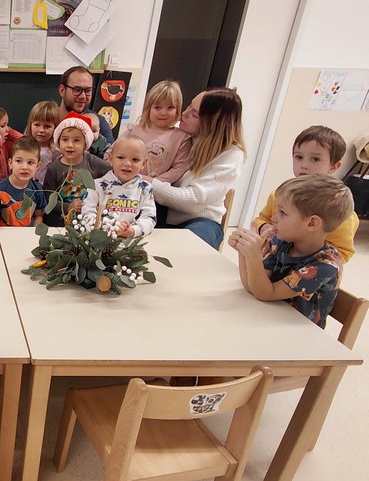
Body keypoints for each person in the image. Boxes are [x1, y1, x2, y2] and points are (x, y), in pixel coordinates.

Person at [229, 175, 354, 327]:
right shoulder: (282, 242)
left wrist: (253, 256)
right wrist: (244, 252)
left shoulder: (325, 267)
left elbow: (266, 293)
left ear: (312, 223)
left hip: (297, 335)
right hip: (268, 318)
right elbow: (253, 287)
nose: (274, 218)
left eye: (282, 212)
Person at [143, 87, 246, 250]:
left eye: (195, 114)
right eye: (189, 106)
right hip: (159, 209)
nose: (184, 114)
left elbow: (193, 201)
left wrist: (148, 183)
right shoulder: (178, 134)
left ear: (212, 124)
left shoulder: (231, 154)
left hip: (200, 221)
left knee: (189, 245)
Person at [252, 125, 358, 262]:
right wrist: (264, 227)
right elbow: (261, 220)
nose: (304, 165)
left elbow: (343, 252)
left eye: (315, 159)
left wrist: (306, 252)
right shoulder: (278, 196)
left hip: (310, 270)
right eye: (299, 157)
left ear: (334, 166)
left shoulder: (339, 210)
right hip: (272, 263)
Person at [43, 112, 111, 227]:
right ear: (58, 141)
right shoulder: (53, 168)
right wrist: (67, 206)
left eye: (76, 140)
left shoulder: (93, 162)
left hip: (88, 222)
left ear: (85, 144)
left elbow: (113, 174)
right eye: (65, 140)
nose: (70, 145)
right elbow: (47, 198)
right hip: (59, 223)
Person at [82, 137, 156, 237]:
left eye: (135, 160)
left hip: (132, 240)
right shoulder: (95, 186)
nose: (127, 164)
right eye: (121, 157)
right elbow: (87, 215)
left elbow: (149, 217)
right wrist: (109, 227)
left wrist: (133, 231)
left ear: (144, 163)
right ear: (110, 159)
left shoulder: (145, 188)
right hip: (100, 240)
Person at [120, 80, 192, 183]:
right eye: (157, 107)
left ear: (177, 109)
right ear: (148, 108)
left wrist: (153, 182)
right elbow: (111, 153)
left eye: (170, 108)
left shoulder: (181, 138)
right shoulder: (133, 130)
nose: (163, 113)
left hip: (154, 188)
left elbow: (180, 168)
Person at [0, 136, 47, 227]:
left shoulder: (37, 190)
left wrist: (34, 233)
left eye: (30, 162)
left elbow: (38, 216)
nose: (24, 167)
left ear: (38, 166)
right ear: (10, 163)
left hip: (28, 234)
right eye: (19, 161)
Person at [58, 65, 114, 145]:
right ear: (62, 90)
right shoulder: (46, 120)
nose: (83, 96)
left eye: (88, 90)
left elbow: (110, 151)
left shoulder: (97, 123)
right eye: (77, 90)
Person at [25, 100, 61, 185]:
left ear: (55, 128)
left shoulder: (57, 152)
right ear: (30, 125)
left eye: (47, 126)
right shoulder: (23, 147)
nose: (41, 130)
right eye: (37, 125)